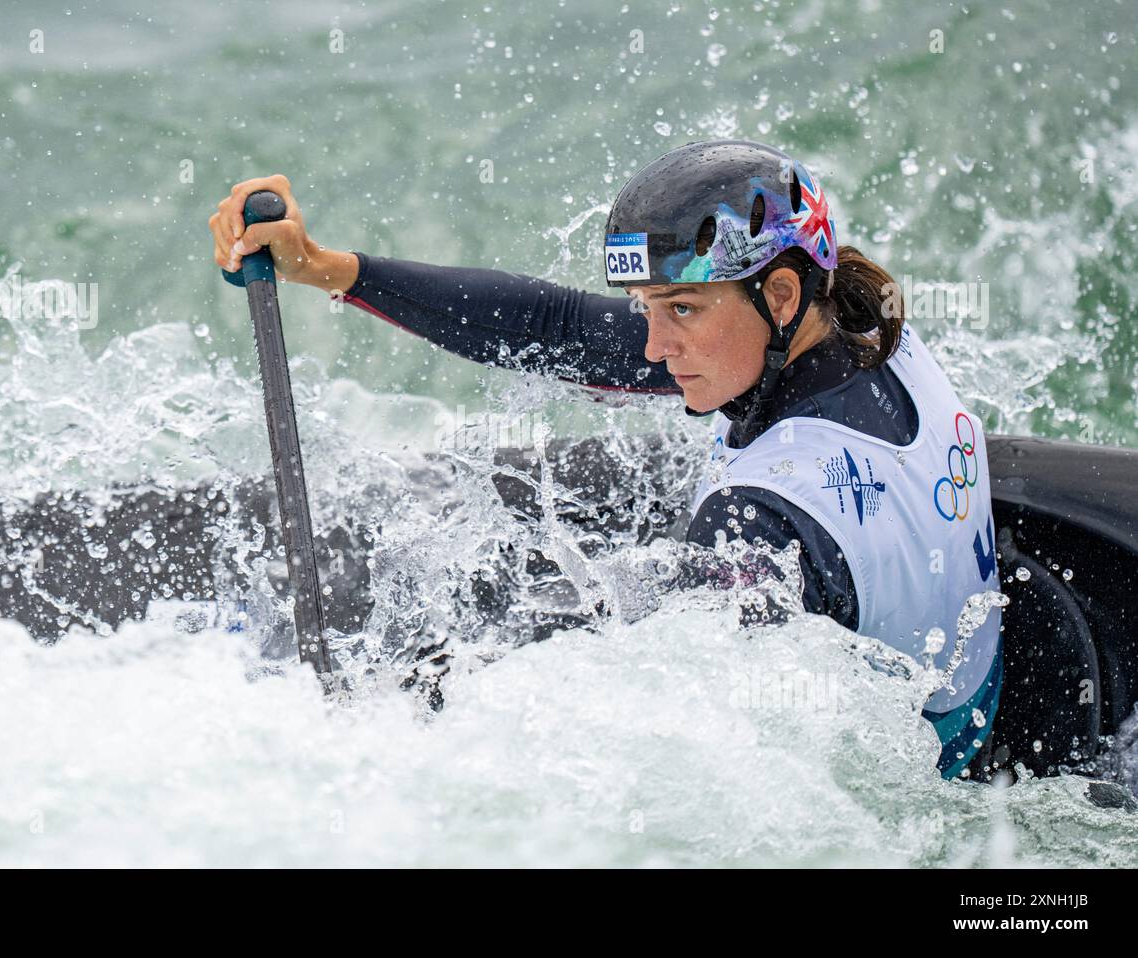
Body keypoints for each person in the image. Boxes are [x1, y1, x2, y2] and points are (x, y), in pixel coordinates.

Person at [208, 140, 1004, 782]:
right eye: (648, 311)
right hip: (973, 685)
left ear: (783, 297)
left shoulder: (760, 519)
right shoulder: (870, 332)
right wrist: (325, 267)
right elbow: (558, 327)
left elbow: (644, 669)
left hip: (920, 778)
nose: (656, 348)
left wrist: (402, 709)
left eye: (682, 311)